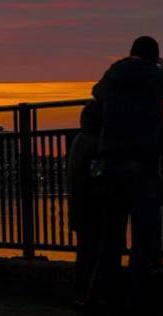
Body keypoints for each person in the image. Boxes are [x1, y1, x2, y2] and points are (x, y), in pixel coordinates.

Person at [92, 36, 163, 315]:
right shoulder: (151, 73)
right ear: (154, 56)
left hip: (110, 166)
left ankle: (105, 298)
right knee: (143, 238)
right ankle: (136, 301)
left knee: (111, 238)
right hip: (140, 166)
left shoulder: (114, 72)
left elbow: (96, 91)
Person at [67, 97, 103, 312]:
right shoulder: (95, 145)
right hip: (93, 206)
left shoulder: (80, 141)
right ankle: (92, 296)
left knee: (85, 251)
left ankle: (81, 295)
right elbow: (97, 175)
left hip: (80, 206)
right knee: (94, 250)